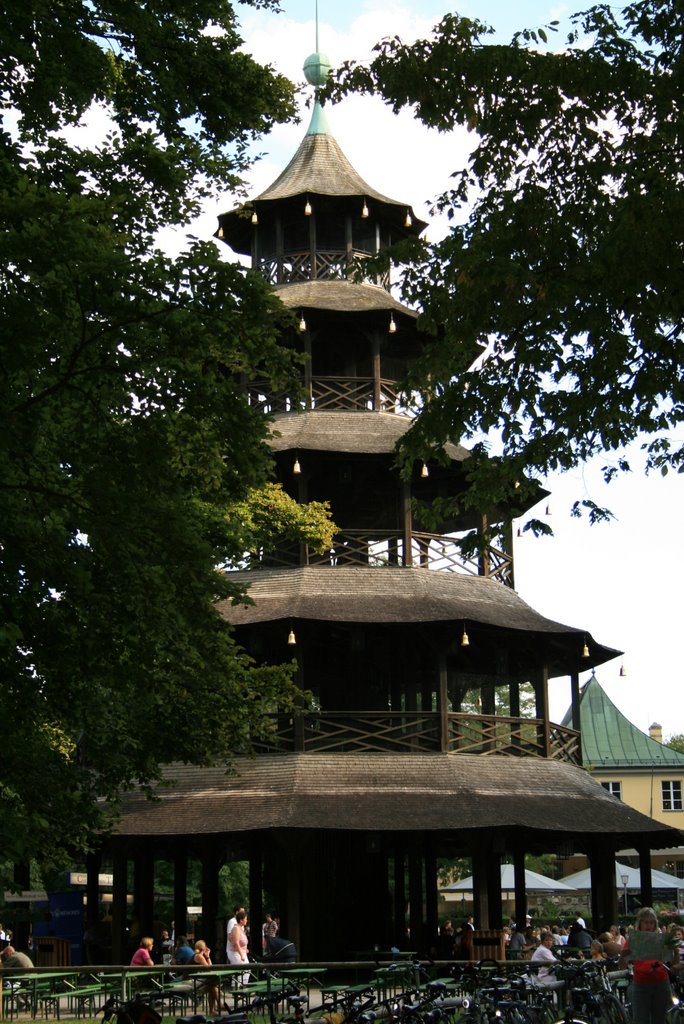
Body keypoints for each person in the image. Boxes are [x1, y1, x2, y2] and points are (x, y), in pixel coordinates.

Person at [620, 907, 679, 1024]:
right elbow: (622, 966)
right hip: (640, 985)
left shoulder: (662, 939)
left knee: (659, 1020)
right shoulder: (633, 940)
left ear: (655, 924)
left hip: (661, 984)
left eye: (651, 922)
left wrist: (675, 951)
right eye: (645, 922)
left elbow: (674, 964)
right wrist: (622, 956)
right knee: (640, 1020)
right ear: (640, 923)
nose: (649, 925)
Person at [193, 940, 219, 1014]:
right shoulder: (199, 956)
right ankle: (218, 1004)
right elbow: (209, 969)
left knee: (212, 985)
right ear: (204, 948)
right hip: (192, 981)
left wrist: (207, 956)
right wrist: (207, 956)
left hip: (197, 979)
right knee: (212, 985)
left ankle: (213, 1010)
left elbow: (209, 968)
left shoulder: (200, 955)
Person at [227, 910, 250, 983]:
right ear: (241, 920)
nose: (247, 920)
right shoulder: (236, 928)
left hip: (242, 952)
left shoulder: (241, 928)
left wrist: (245, 949)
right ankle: (237, 989)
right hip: (236, 953)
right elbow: (236, 943)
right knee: (241, 970)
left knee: (247, 970)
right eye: (245, 919)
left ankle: (242, 987)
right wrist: (241, 955)